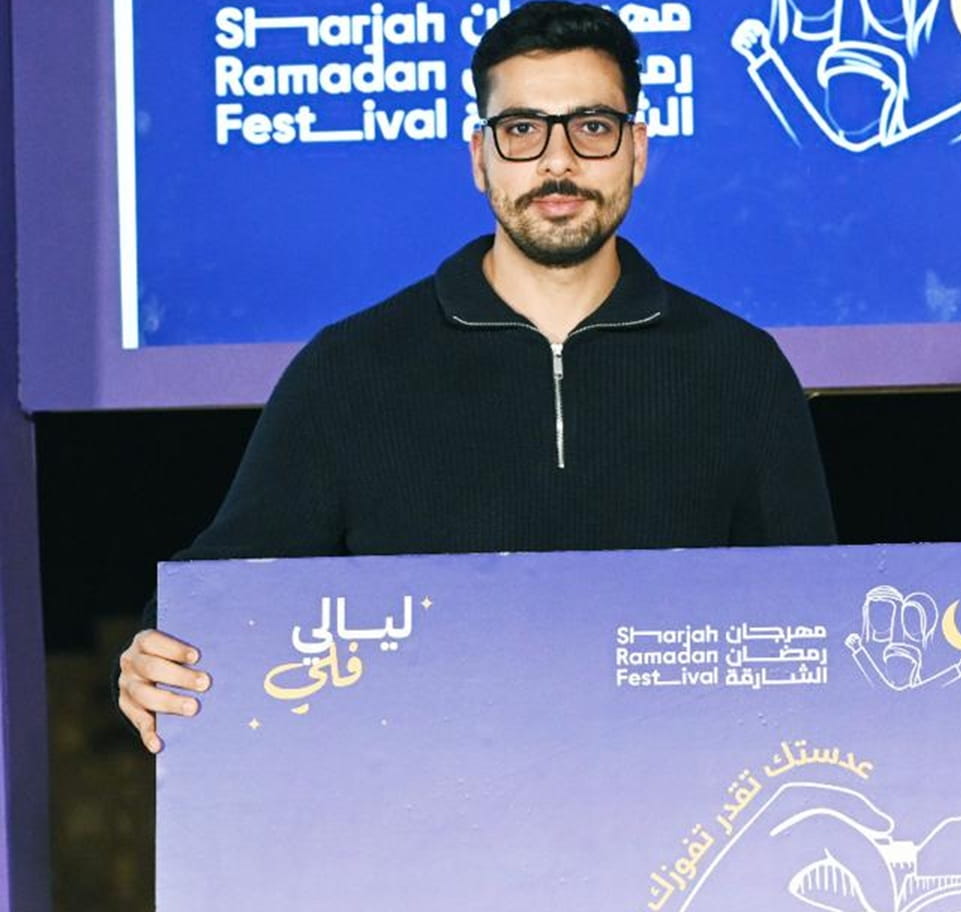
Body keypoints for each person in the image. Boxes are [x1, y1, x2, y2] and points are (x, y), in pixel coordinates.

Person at [117, 2, 835, 752]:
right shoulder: (351, 369)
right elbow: (228, 588)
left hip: (683, 799)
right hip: (422, 806)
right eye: (522, 130)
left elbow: (816, 618)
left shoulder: (740, 368)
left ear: (637, 151)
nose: (558, 163)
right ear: (480, 157)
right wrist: (145, 659)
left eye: (592, 127)